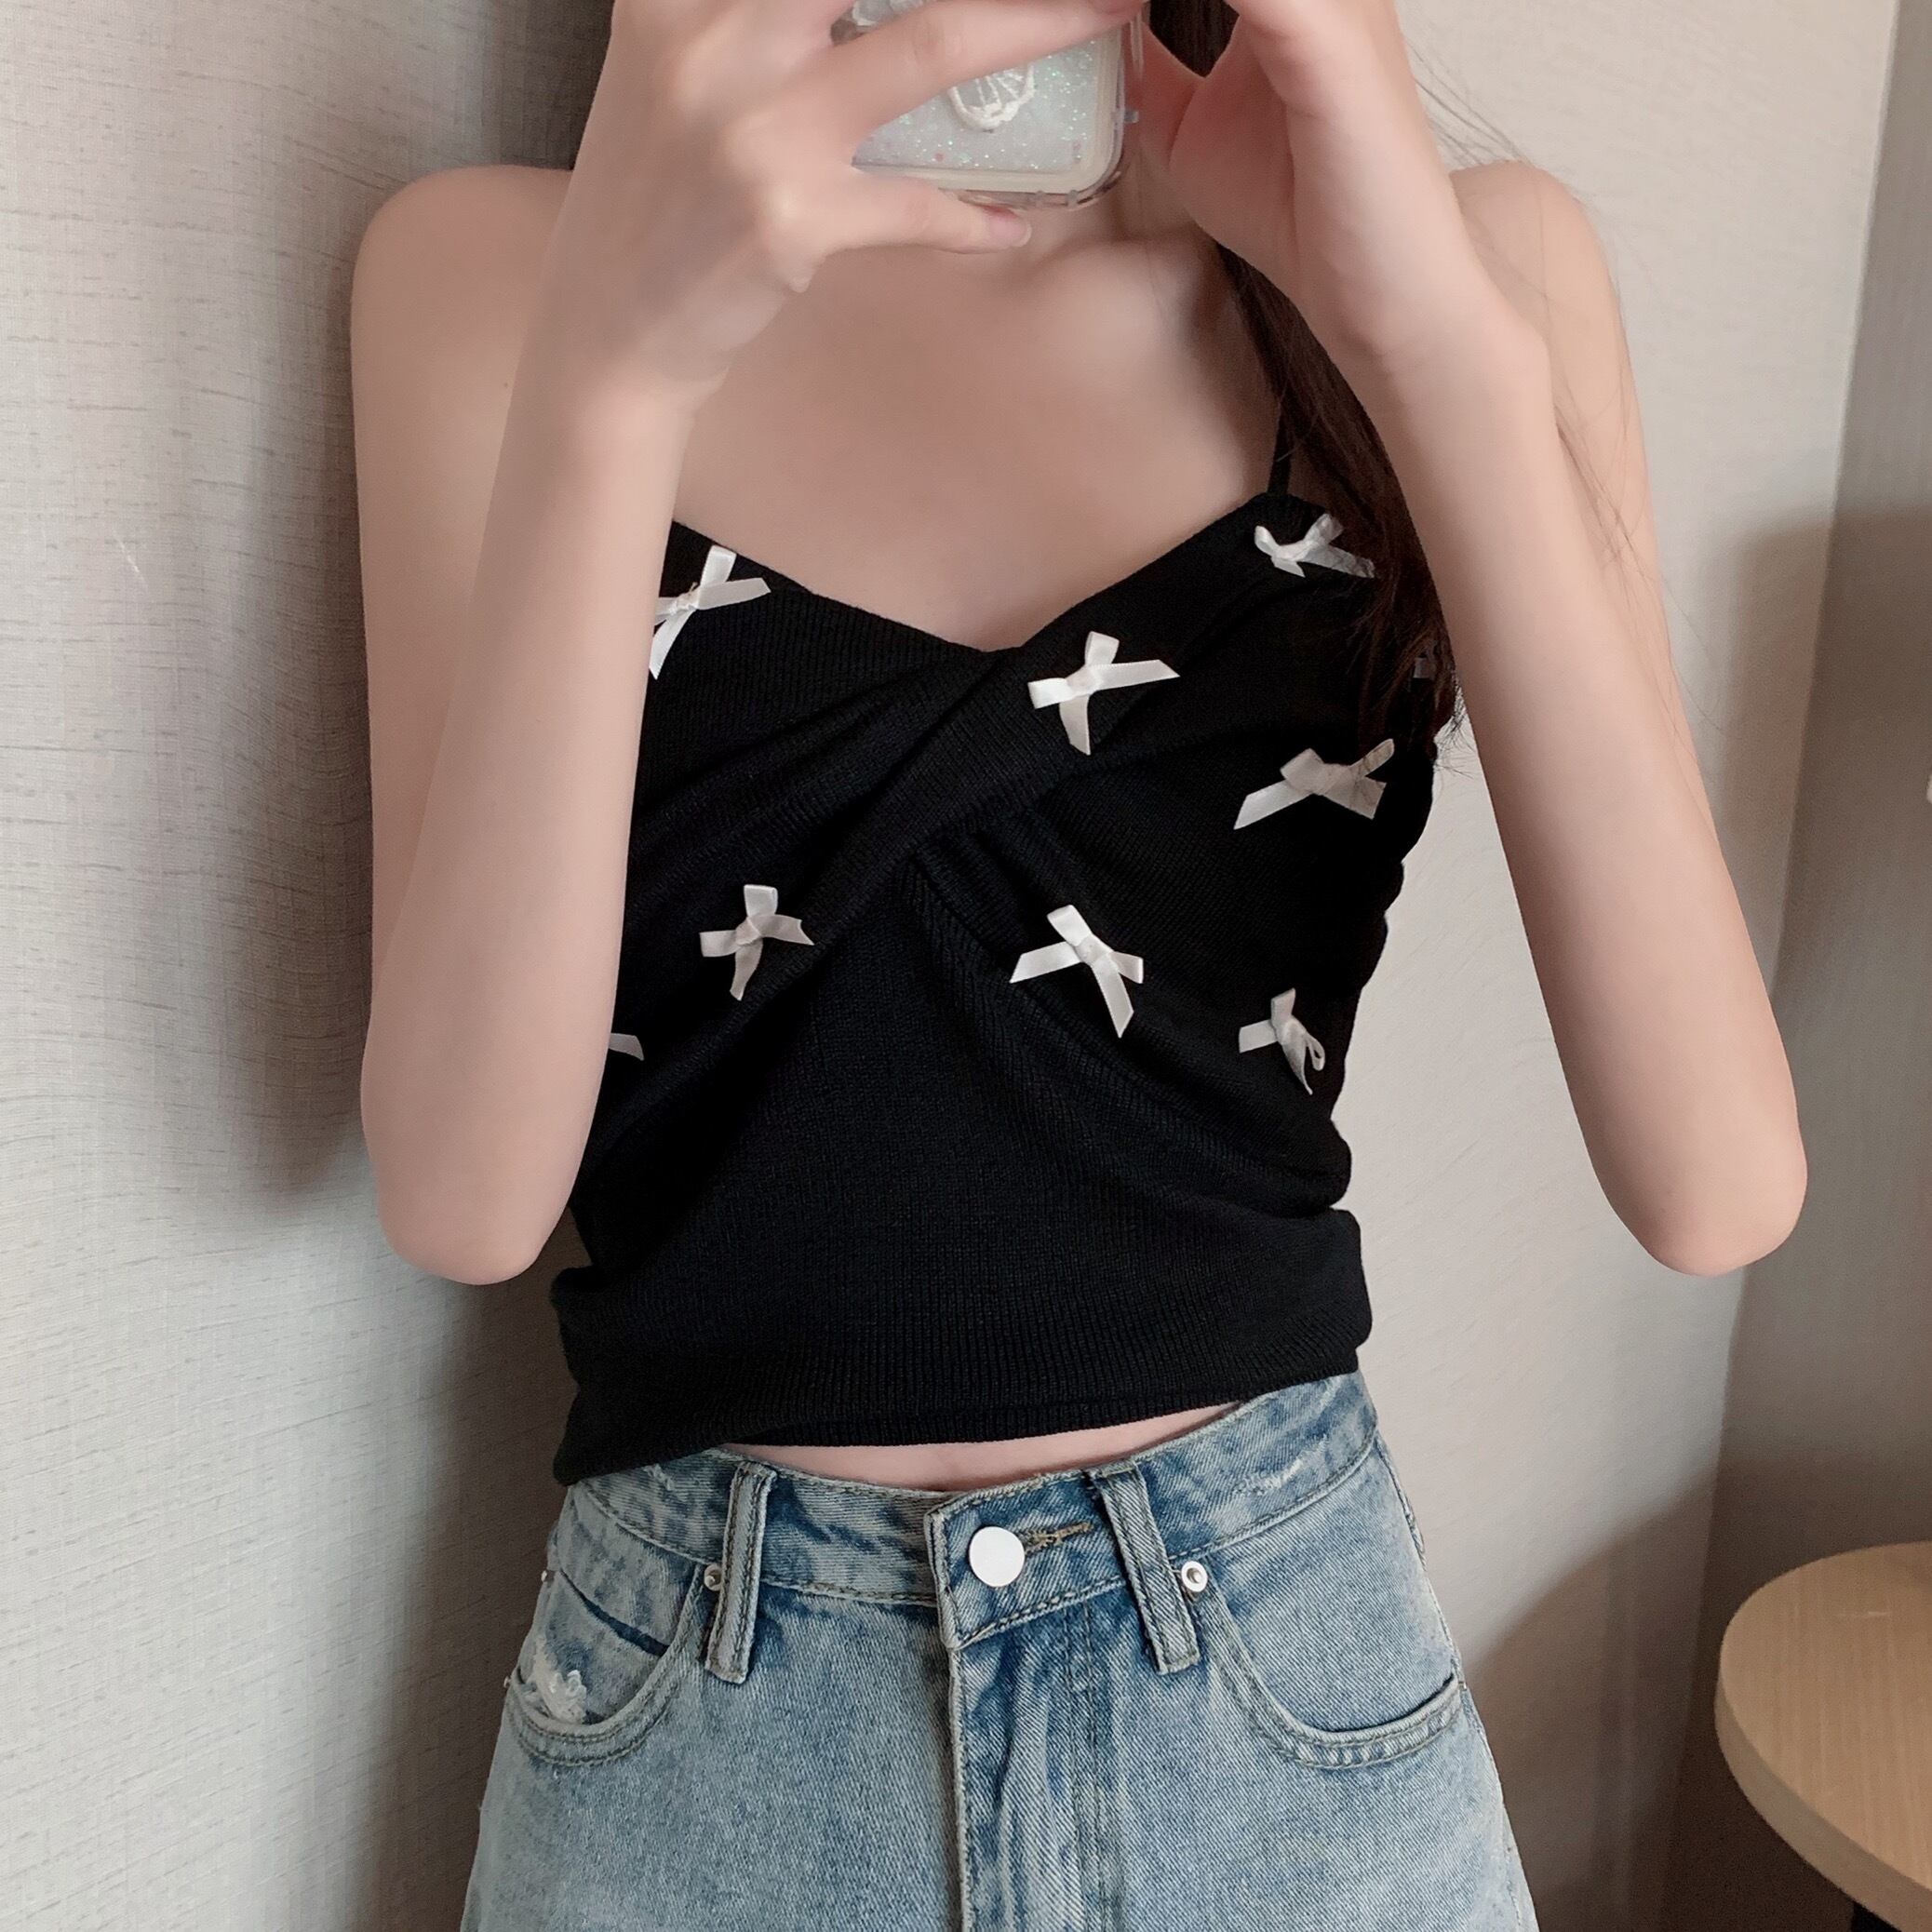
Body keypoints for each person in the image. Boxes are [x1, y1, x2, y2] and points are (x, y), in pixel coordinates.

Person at [349, 0, 1805, 1924]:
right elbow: (464, 1198)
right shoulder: (490, 273)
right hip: (709, 1741)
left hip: (1282, 1715)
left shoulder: (1479, 263)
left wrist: (1425, 339)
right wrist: (620, 364)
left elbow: (1716, 1183)